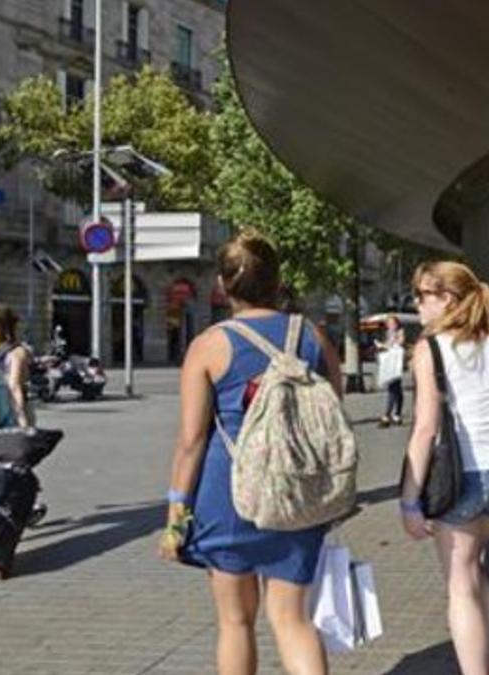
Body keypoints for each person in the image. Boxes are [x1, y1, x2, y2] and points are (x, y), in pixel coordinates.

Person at [159, 232, 342, 675]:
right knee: (293, 619)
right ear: (278, 281)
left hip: (228, 495)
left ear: (223, 285)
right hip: (298, 493)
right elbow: (332, 411)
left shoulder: (209, 344)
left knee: (235, 622)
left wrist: (176, 516)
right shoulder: (312, 335)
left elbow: (191, 440)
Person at [401, 262, 489, 675]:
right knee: (475, 569)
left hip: (463, 477)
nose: (416, 302)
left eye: (423, 294)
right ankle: (487, 660)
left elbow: (424, 430)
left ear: (448, 300)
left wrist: (408, 501)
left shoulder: (431, 348)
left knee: (459, 585)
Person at [0, 304, 33, 430]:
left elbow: (14, 386)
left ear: (1, 329)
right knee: (12, 445)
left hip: (5, 406)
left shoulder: (15, 352)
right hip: (6, 409)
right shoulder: (17, 351)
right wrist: (23, 423)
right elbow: (14, 387)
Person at [377, 315, 406, 427]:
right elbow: (388, 346)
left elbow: (400, 343)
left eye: (392, 323)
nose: (390, 325)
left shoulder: (400, 332)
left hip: (396, 364)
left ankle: (387, 415)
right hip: (390, 364)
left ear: (397, 323)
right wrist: (382, 345)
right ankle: (397, 414)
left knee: (393, 388)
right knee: (396, 389)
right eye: (388, 323)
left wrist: (390, 343)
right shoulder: (388, 333)